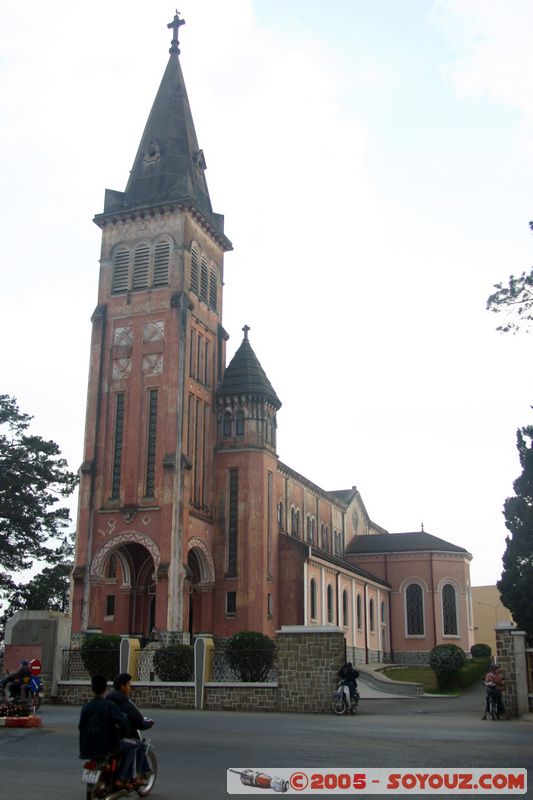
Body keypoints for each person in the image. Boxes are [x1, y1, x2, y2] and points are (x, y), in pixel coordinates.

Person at [79, 674, 135, 790]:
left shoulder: (85, 707)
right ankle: (121, 779)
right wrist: (126, 733)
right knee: (132, 746)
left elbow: (80, 726)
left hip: (86, 747)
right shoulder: (110, 706)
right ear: (105, 689)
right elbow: (124, 723)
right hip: (108, 746)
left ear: (92, 689)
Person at [107, 672, 155, 785]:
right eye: (129, 685)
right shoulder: (124, 702)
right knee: (138, 745)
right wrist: (149, 723)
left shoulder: (107, 700)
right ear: (122, 686)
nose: (130, 687)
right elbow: (138, 721)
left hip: (100, 739)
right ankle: (126, 778)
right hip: (116, 739)